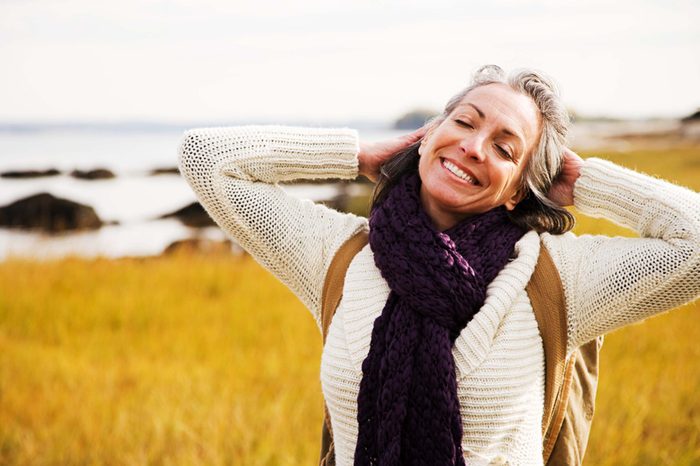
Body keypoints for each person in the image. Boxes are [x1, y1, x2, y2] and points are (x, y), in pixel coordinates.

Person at [177, 65, 700, 465]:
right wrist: (357, 156)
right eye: (464, 123)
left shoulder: (557, 277)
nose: (472, 146)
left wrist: (584, 183)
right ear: (428, 135)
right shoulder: (342, 253)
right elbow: (205, 159)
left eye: (503, 147)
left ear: (520, 189)